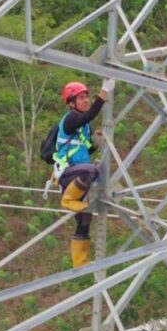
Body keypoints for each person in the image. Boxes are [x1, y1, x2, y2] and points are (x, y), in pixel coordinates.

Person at [54, 77, 115, 267]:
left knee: (85, 218)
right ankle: (68, 200)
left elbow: (84, 150)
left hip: (78, 177)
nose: (86, 100)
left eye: (87, 97)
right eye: (81, 98)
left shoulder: (83, 127)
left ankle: (80, 262)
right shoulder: (71, 119)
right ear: (72, 103)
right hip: (69, 175)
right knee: (93, 170)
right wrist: (104, 92)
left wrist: (96, 142)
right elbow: (88, 115)